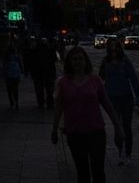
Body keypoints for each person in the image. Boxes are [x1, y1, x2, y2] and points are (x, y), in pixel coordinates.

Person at [50, 45, 123, 183]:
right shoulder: (63, 82)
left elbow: (107, 104)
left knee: (98, 171)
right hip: (75, 133)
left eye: (80, 59)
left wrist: (117, 126)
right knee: (82, 172)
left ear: (85, 61)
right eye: (74, 59)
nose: (77, 62)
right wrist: (54, 129)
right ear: (70, 62)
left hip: (96, 132)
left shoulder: (95, 81)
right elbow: (58, 107)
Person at [98, 36, 139, 166]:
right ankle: (120, 152)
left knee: (127, 126)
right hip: (112, 98)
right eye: (111, 46)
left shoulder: (125, 62)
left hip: (126, 97)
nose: (114, 49)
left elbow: (133, 79)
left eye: (116, 46)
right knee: (117, 126)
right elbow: (100, 81)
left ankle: (128, 154)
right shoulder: (105, 62)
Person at [27, 37, 59, 109]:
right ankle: (49, 103)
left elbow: (31, 61)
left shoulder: (35, 50)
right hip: (48, 73)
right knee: (49, 89)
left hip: (39, 73)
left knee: (40, 89)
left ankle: (41, 103)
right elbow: (55, 60)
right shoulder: (50, 50)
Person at [1, 39, 24, 109]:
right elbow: (21, 65)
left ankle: (11, 102)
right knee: (15, 89)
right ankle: (16, 102)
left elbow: (4, 65)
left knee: (9, 89)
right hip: (16, 74)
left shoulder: (7, 57)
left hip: (8, 74)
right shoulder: (17, 56)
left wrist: (3, 73)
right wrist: (22, 71)